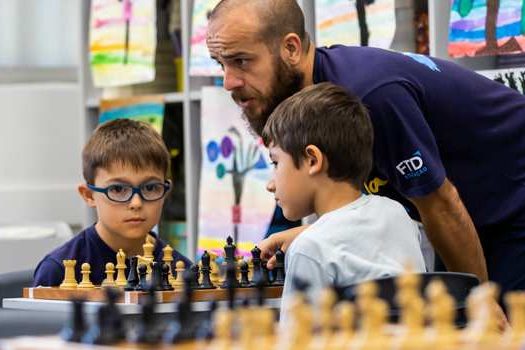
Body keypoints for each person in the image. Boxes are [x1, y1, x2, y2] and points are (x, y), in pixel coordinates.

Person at [206, 0, 525, 293]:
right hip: (469, 213)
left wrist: (480, 303)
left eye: (241, 61)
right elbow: (378, 203)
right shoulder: (314, 108)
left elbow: (440, 202)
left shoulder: (369, 96)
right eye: (220, 64)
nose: (228, 81)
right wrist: (320, 234)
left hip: (510, 200)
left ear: (291, 48)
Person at [262, 82, 426, 324]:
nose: (270, 184)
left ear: (312, 160)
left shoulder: (309, 250)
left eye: (276, 163)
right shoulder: (397, 214)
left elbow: (294, 341)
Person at [33, 119, 191, 286]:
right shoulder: (57, 272)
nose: (136, 203)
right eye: (117, 189)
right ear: (89, 195)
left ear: (166, 191)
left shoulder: (183, 272)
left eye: (150, 187)